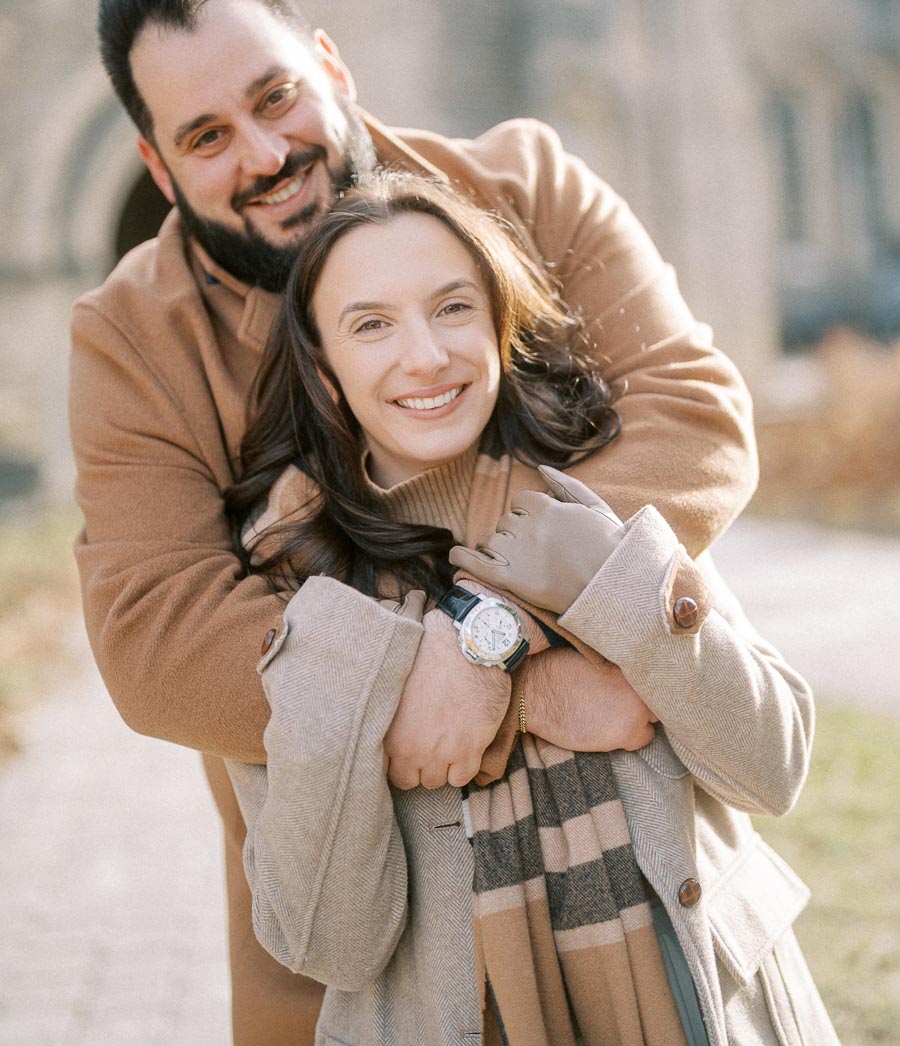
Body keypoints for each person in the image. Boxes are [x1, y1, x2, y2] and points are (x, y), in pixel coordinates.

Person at [70, 0, 759, 1044]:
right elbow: (154, 637)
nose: (261, 152)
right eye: (205, 136)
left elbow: (693, 412)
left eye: (277, 96)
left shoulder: (528, 185)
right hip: (360, 927)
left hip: (635, 856)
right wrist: (459, 685)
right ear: (159, 168)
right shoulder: (127, 341)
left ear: (332, 68)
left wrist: (490, 632)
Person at [222, 170, 838, 1046]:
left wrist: (621, 583)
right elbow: (330, 943)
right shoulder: (294, 585)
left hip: (703, 1009)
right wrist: (511, 686)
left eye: (452, 308)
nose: (426, 355)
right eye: (371, 325)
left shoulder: (600, 494)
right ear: (323, 369)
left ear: (497, 321)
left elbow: (772, 766)